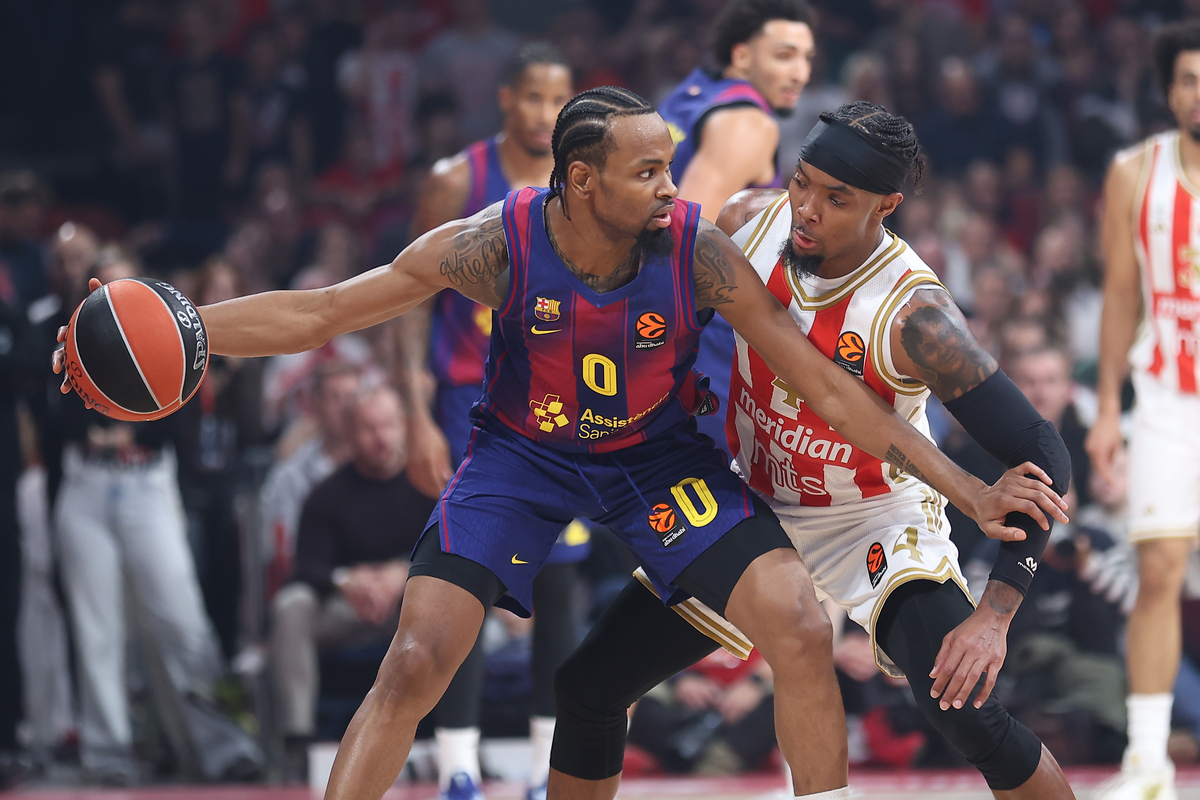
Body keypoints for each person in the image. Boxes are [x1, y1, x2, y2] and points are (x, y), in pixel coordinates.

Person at [56, 87, 1065, 800]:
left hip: (658, 459)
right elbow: (323, 309)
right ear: (582, 182)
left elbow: (836, 393)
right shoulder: (496, 243)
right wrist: (186, 324)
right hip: (521, 459)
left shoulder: (701, 251)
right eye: (648, 171)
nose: (673, 187)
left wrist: (968, 493)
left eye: (670, 165)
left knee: (798, 622)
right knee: (415, 659)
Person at [547, 103, 1077, 800]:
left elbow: (1042, 450)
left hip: (875, 516)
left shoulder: (917, 316)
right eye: (802, 183)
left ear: (886, 206)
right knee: (588, 685)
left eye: (836, 199)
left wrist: (995, 617)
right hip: (755, 503)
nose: (807, 208)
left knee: (969, 714)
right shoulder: (746, 220)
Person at [395, 42, 581, 800]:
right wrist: (413, 409)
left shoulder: (582, 181)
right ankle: (458, 767)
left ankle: (545, 767)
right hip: (463, 400)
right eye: (532, 98)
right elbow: (408, 296)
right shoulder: (453, 180)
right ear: (505, 99)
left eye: (557, 101)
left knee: (561, 584)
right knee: (462, 577)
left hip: (558, 404)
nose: (543, 115)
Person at [47, 247, 262, 784]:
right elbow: (58, 418)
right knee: (98, 629)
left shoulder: (169, 330)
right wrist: (98, 431)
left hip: (148, 484)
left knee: (182, 619)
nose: (115, 297)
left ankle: (224, 747)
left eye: (127, 285)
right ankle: (108, 755)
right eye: (107, 287)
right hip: (87, 485)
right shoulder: (73, 338)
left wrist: (130, 431)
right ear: (93, 290)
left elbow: (178, 419)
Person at [1086, 20, 1200, 800]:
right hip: (1164, 396)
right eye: (1189, 77)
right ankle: (1147, 760)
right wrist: (1103, 412)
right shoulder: (1134, 172)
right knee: (1158, 569)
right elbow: (1120, 297)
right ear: (1168, 90)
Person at [657, 0, 815, 455]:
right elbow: (684, 236)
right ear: (743, 55)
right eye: (784, 56)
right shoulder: (748, 123)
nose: (800, 73)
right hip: (702, 335)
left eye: (807, 59)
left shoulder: (691, 93)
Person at [271, 385, 434, 778]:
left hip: (411, 605)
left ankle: (457, 736)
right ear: (349, 432)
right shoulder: (326, 495)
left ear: (404, 427)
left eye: (389, 426)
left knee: (454, 607)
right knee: (290, 606)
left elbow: (451, 549)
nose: (381, 438)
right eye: (369, 428)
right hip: (345, 609)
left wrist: (401, 573)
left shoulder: (429, 484)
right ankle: (296, 745)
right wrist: (347, 580)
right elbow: (306, 566)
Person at [259, 361, 361, 601]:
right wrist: (342, 578)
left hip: (378, 586)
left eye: (352, 397)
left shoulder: (381, 463)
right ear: (315, 406)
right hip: (317, 588)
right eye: (334, 398)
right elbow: (285, 553)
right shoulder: (290, 476)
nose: (345, 407)